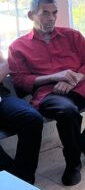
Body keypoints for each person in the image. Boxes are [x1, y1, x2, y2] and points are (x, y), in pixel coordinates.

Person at [8, 0, 85, 186]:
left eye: (54, 13)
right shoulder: (18, 46)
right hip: (49, 93)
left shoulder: (72, 36)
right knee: (67, 112)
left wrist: (74, 79)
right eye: (45, 13)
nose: (51, 18)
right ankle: (73, 164)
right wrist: (54, 77)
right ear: (31, 15)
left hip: (81, 84)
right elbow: (20, 80)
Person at [0, 54, 44, 185]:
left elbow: (6, 65)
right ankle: (16, 183)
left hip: (2, 97)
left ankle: (24, 179)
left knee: (32, 119)